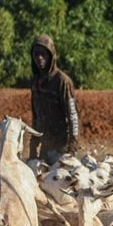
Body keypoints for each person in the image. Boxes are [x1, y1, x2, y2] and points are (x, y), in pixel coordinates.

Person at [29, 34, 80, 162]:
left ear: (51, 55)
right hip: (45, 147)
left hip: (63, 148)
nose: (39, 58)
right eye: (36, 54)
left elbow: (73, 116)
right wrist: (33, 146)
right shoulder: (35, 83)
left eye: (43, 54)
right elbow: (36, 117)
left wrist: (72, 146)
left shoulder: (62, 81)